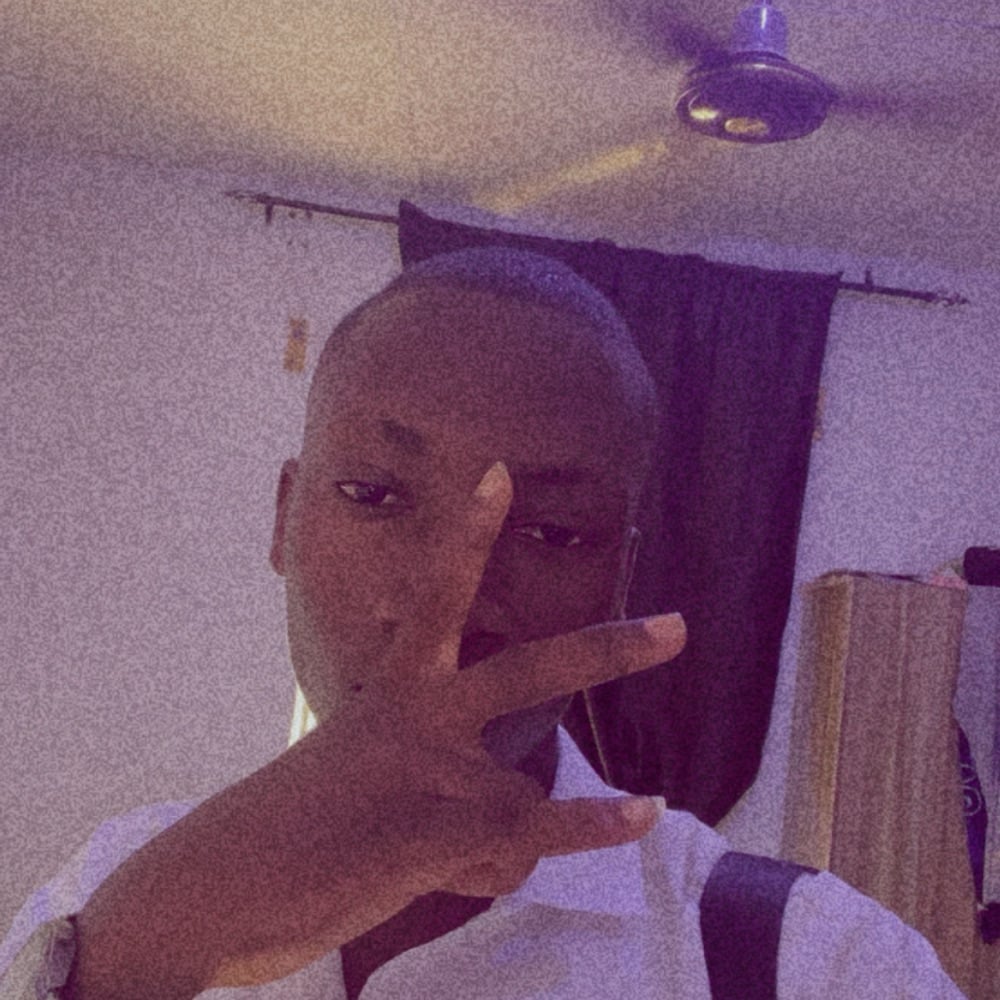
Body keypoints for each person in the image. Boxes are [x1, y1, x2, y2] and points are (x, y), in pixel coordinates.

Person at [0, 248, 965, 999]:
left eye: (553, 531)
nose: (448, 594)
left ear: (619, 581)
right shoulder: (113, 893)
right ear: (285, 520)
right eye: (374, 495)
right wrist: (138, 954)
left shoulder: (813, 963)